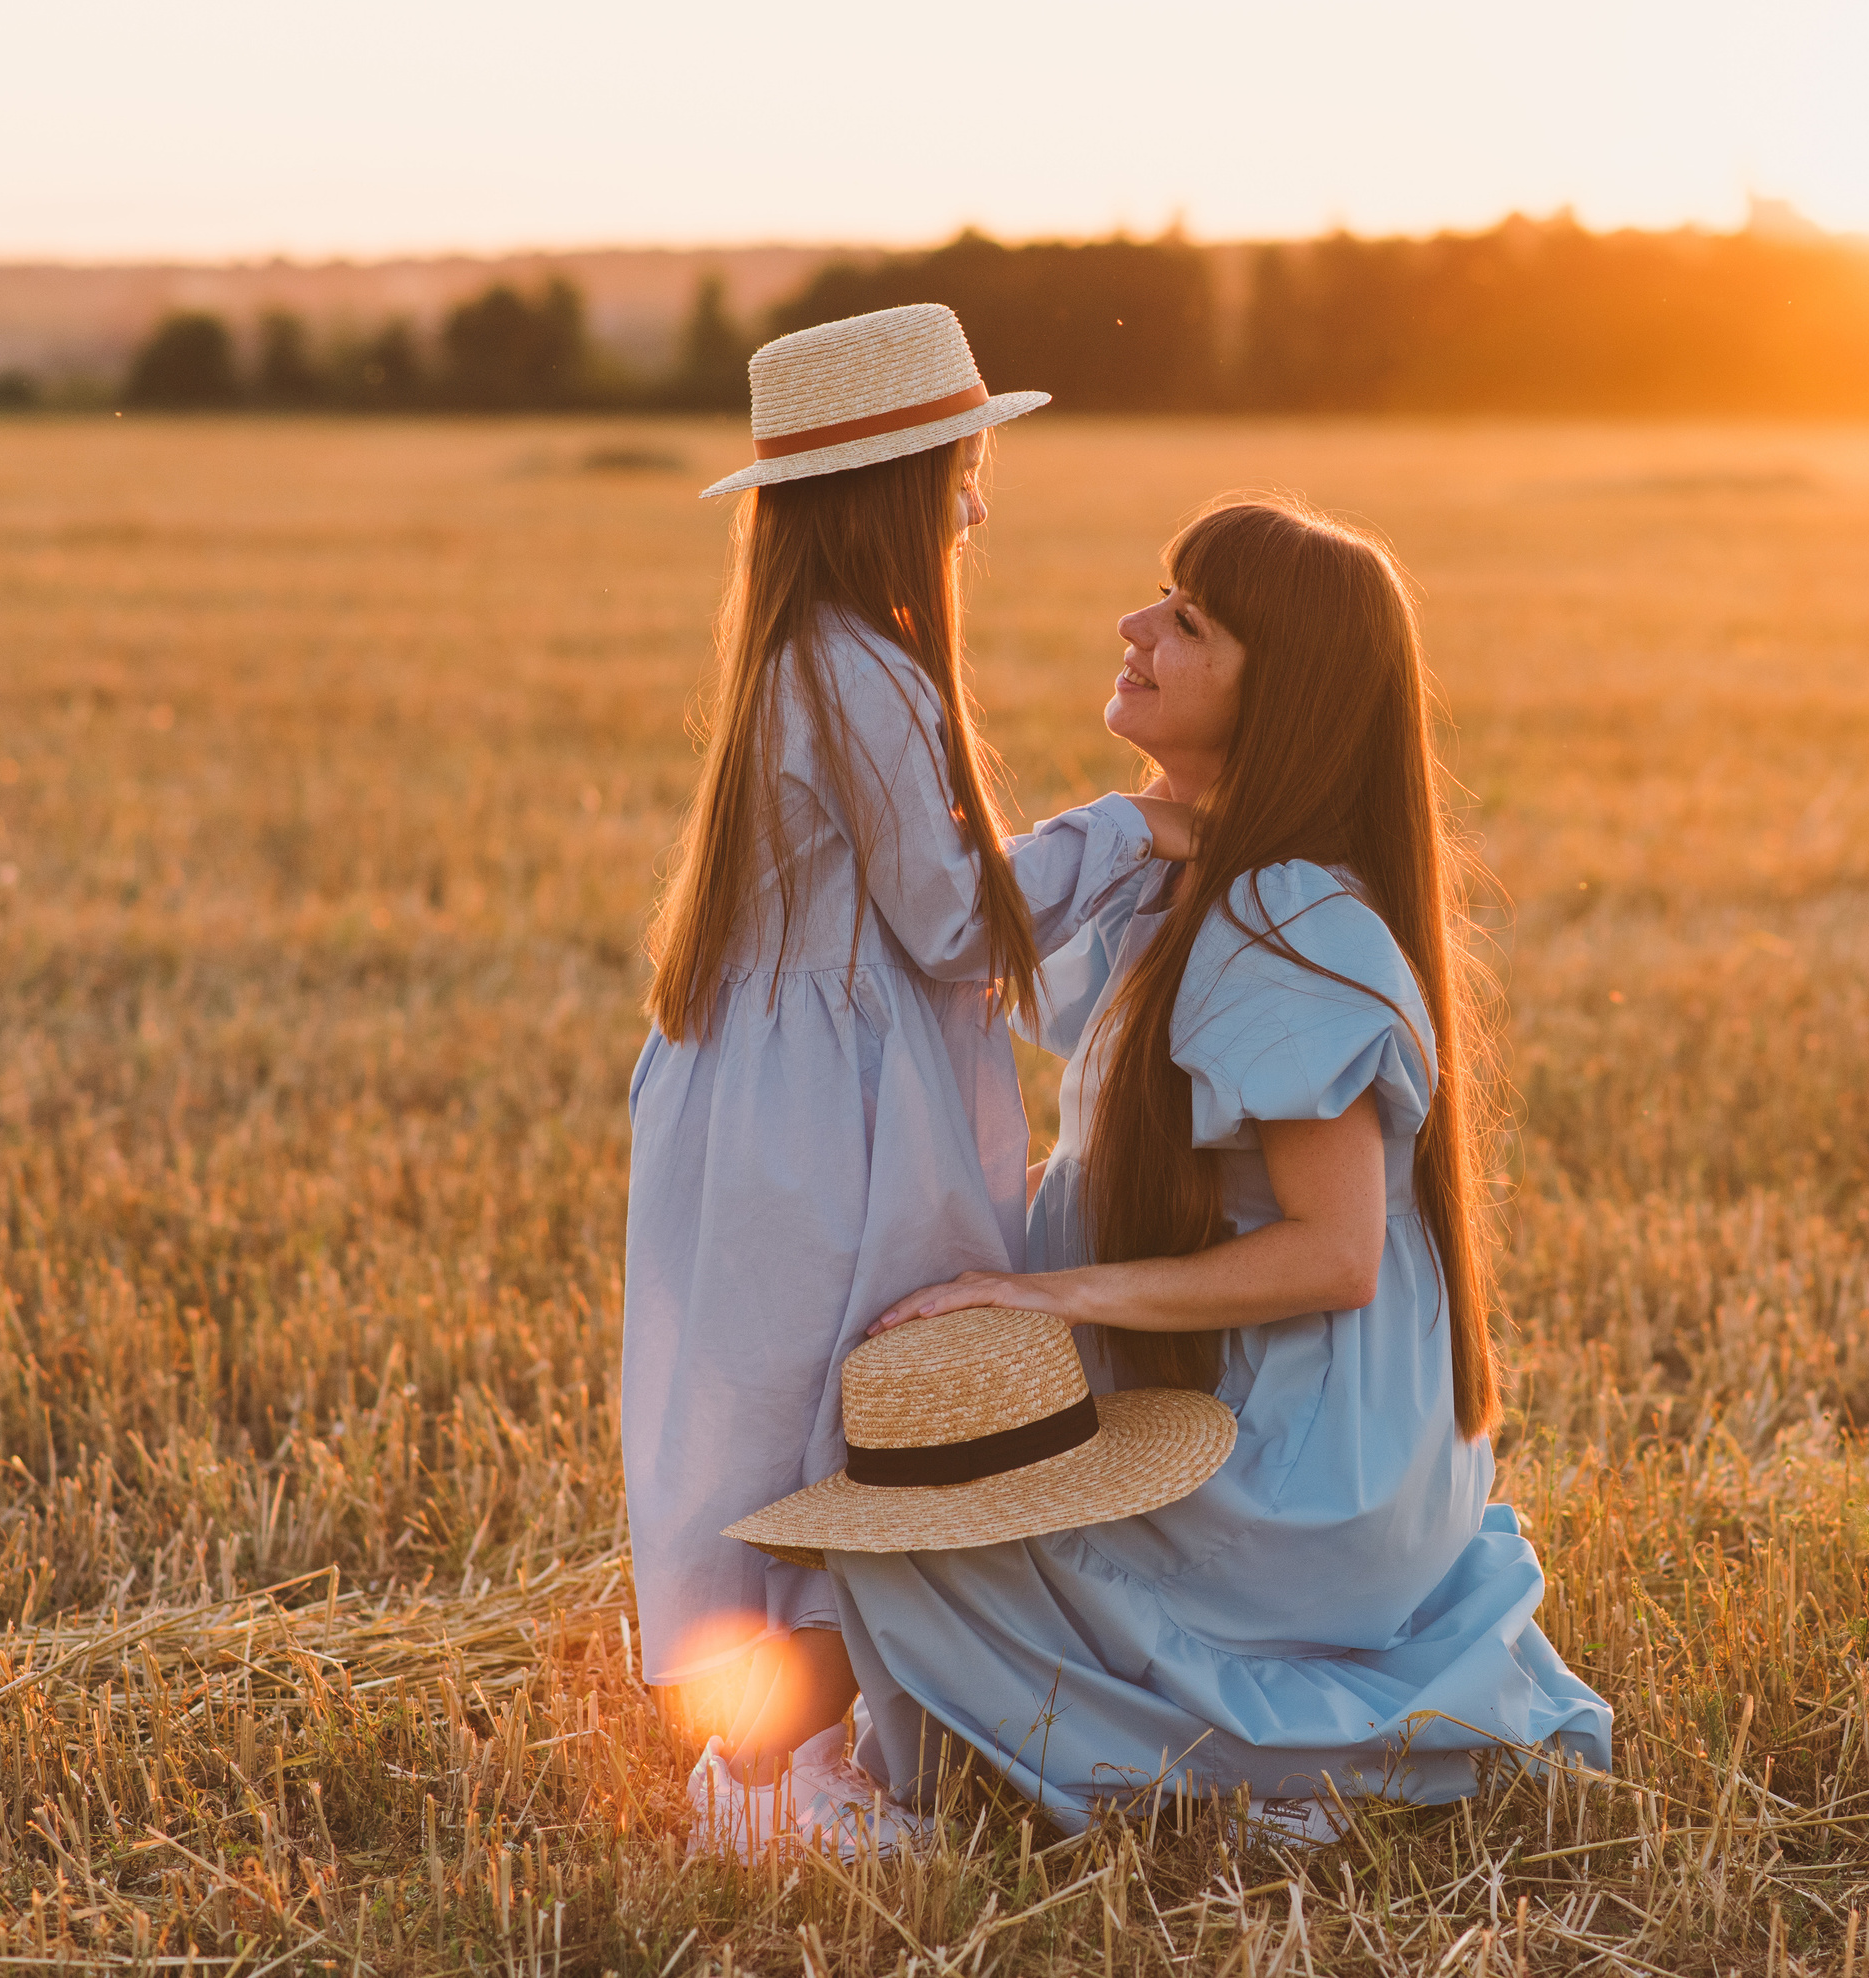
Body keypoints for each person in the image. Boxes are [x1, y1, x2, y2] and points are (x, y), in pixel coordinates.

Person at [821, 496, 1612, 1832]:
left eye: (1186, 622)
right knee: (901, 1527)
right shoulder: (1184, 868)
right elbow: (965, 942)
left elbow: (1334, 1249)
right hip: (1257, 1417)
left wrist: (1045, 1298)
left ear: (1279, 693)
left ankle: (1243, 1769)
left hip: (1295, 1461)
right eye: (1158, 598)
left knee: (902, 1556)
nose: (1135, 629)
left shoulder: (1280, 912)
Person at [621, 303, 1192, 1830]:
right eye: (962, 467)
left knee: (769, 1414)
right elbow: (950, 927)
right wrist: (1132, 830)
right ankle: (767, 1782)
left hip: (758, 1095)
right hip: (836, 1119)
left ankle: (772, 1752)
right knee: (847, 1428)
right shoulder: (864, 670)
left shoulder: (796, 655)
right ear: (895, 486)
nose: (978, 502)